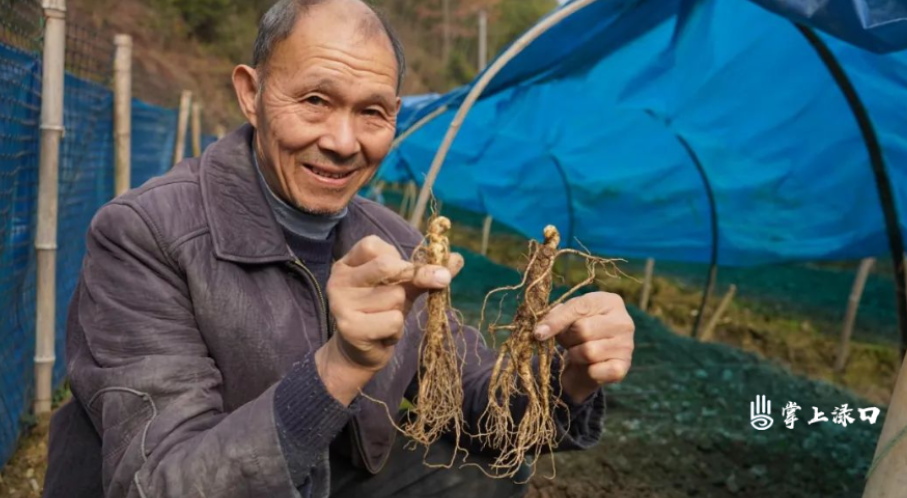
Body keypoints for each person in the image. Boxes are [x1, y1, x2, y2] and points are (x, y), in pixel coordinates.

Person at [42, 0, 635, 496]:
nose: (343, 142)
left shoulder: (396, 241)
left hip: (322, 476)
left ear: (395, 118)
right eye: (315, 101)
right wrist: (342, 364)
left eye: (371, 112)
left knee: (487, 479)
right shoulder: (145, 235)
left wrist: (569, 378)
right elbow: (162, 482)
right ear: (252, 93)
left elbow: (473, 400)